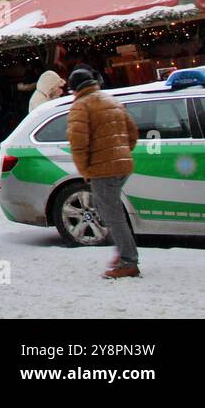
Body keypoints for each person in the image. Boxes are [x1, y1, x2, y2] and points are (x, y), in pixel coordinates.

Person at [65, 66, 141, 279]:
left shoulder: (81, 106)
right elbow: (132, 132)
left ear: (75, 88)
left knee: (112, 215)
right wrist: (122, 154)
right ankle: (124, 251)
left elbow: (78, 144)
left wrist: (86, 170)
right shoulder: (111, 100)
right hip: (122, 166)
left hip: (102, 169)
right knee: (108, 209)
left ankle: (128, 261)